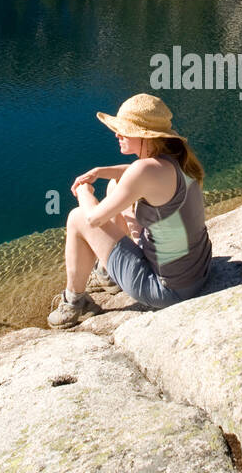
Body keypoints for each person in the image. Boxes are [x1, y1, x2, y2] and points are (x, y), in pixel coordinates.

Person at [48, 93, 212, 328]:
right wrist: (101, 170)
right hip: (198, 271)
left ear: (144, 136)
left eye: (124, 130)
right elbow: (135, 174)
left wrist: (84, 191)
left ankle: (75, 302)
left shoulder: (144, 171)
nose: (117, 134)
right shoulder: (177, 157)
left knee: (78, 217)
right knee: (116, 185)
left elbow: (93, 219)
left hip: (167, 290)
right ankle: (107, 274)